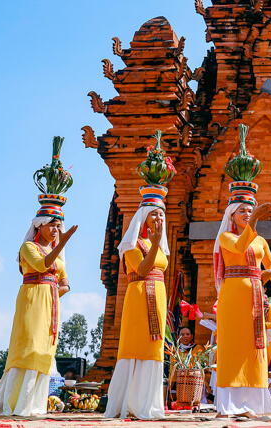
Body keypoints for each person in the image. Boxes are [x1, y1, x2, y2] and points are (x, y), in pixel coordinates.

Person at [0, 136, 76, 416]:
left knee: (44, 349)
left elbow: (65, 283)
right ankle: (15, 404)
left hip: (49, 301)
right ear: (40, 226)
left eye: (59, 226)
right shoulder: (29, 246)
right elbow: (42, 266)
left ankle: (35, 404)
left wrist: (53, 293)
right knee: (28, 345)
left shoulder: (56, 252)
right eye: (53, 225)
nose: (56, 230)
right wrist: (62, 244)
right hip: (31, 298)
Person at [105, 132, 176, 420]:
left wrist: (160, 241)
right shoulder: (132, 243)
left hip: (157, 296)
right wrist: (157, 241)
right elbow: (142, 270)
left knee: (154, 348)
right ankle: (129, 404)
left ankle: (150, 405)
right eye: (154, 215)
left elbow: (161, 270)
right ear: (143, 217)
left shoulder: (160, 245)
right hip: (138, 296)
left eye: (162, 215)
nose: (159, 219)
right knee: (136, 346)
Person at [214, 124, 271, 419]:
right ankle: (228, 404)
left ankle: (252, 403)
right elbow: (239, 248)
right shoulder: (227, 237)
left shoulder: (261, 240)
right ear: (232, 215)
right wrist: (256, 222)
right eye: (242, 212)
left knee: (255, 347)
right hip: (233, 294)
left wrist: (268, 275)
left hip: (254, 294)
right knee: (233, 345)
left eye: (249, 212)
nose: (246, 215)